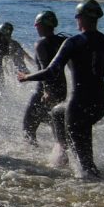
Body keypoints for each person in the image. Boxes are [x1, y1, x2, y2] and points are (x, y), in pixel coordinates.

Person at [18, 0, 104, 178]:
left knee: (85, 163)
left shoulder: (73, 42)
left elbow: (52, 71)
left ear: (82, 18)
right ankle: (62, 151)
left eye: (77, 17)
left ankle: (93, 187)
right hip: (100, 104)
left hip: (78, 105)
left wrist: (27, 77)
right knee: (56, 113)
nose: (76, 20)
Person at [21, 10, 67, 146]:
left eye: (37, 25)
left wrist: (46, 90)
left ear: (41, 25)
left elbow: (46, 69)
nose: (36, 28)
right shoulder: (63, 41)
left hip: (44, 91)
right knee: (56, 125)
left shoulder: (41, 44)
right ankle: (62, 154)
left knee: (28, 127)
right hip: (62, 89)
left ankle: (32, 157)